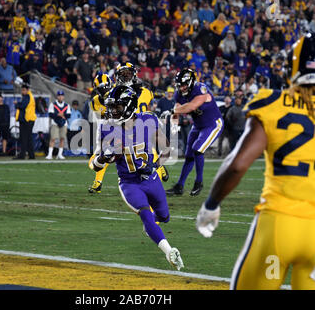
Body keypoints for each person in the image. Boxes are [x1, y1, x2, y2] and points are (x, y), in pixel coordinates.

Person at [195, 32, 315, 290]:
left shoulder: (273, 102)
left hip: (279, 226)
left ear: (293, 65)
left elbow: (238, 164)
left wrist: (211, 203)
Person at [92, 85, 184, 270]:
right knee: (145, 214)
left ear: (129, 106)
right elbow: (95, 164)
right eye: (111, 107)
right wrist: (103, 158)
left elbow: (166, 149)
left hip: (151, 178)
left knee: (164, 216)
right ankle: (169, 251)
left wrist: (156, 165)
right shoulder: (107, 128)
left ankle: (152, 228)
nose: (112, 111)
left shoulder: (148, 119)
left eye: (116, 107)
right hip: (129, 183)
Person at [163, 68, 223, 196]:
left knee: (197, 149)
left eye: (184, 85)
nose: (182, 88)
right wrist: (174, 121)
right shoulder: (178, 93)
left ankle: (199, 182)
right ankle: (179, 186)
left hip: (213, 124)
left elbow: (191, 106)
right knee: (189, 155)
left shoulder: (200, 89)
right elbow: (177, 108)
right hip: (197, 126)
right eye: (180, 85)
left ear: (190, 82)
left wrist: (174, 111)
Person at [14, 83, 37, 160]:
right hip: (29, 120)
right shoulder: (29, 96)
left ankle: (22, 155)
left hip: (26, 120)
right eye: (22, 90)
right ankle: (31, 155)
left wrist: (17, 104)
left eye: (24, 90)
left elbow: (23, 105)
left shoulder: (27, 96)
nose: (22, 91)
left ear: (27, 90)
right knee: (28, 138)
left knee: (24, 138)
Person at [46, 90, 71, 160]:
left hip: (64, 123)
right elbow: (51, 114)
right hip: (55, 123)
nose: (60, 97)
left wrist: (62, 115)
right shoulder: (53, 104)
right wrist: (58, 115)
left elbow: (68, 115)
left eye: (62, 96)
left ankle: (60, 154)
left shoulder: (66, 105)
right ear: (57, 96)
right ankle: (50, 154)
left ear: (63, 97)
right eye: (59, 96)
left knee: (62, 139)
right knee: (53, 138)